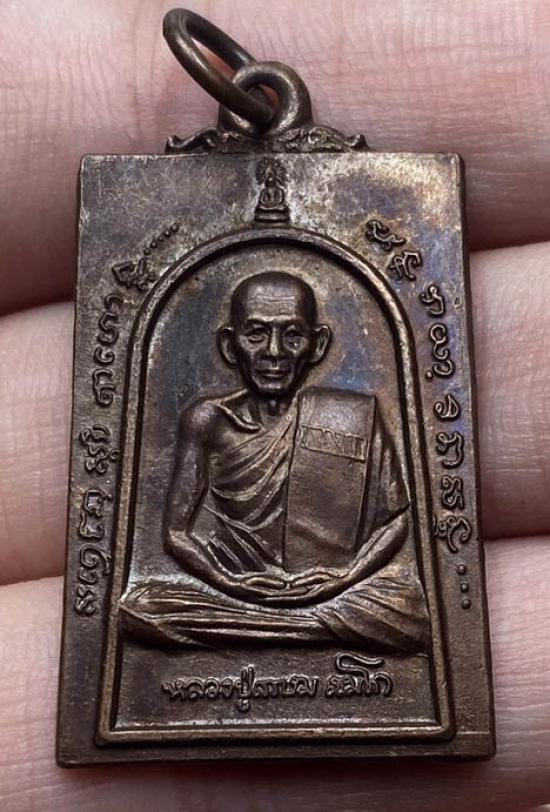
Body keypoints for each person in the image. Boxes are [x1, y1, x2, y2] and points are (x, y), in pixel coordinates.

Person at [121, 271, 430, 652]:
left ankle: (275, 628)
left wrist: (345, 578)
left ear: (317, 346)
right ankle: (311, 628)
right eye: (256, 334)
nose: (274, 352)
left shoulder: (353, 416)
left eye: (293, 336)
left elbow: (397, 519)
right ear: (230, 345)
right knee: (142, 607)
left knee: (408, 608)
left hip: (333, 590)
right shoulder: (208, 420)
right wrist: (230, 583)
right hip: (234, 591)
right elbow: (176, 533)